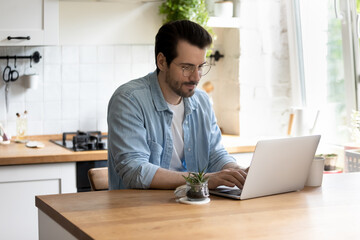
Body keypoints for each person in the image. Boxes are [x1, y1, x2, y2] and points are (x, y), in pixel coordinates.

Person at [107, 20, 247, 190]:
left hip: (192, 209)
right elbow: (135, 171)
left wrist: (237, 172)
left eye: (200, 67)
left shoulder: (201, 101)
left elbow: (215, 155)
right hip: (139, 212)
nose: (196, 77)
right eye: (187, 67)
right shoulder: (129, 100)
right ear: (162, 62)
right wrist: (204, 179)